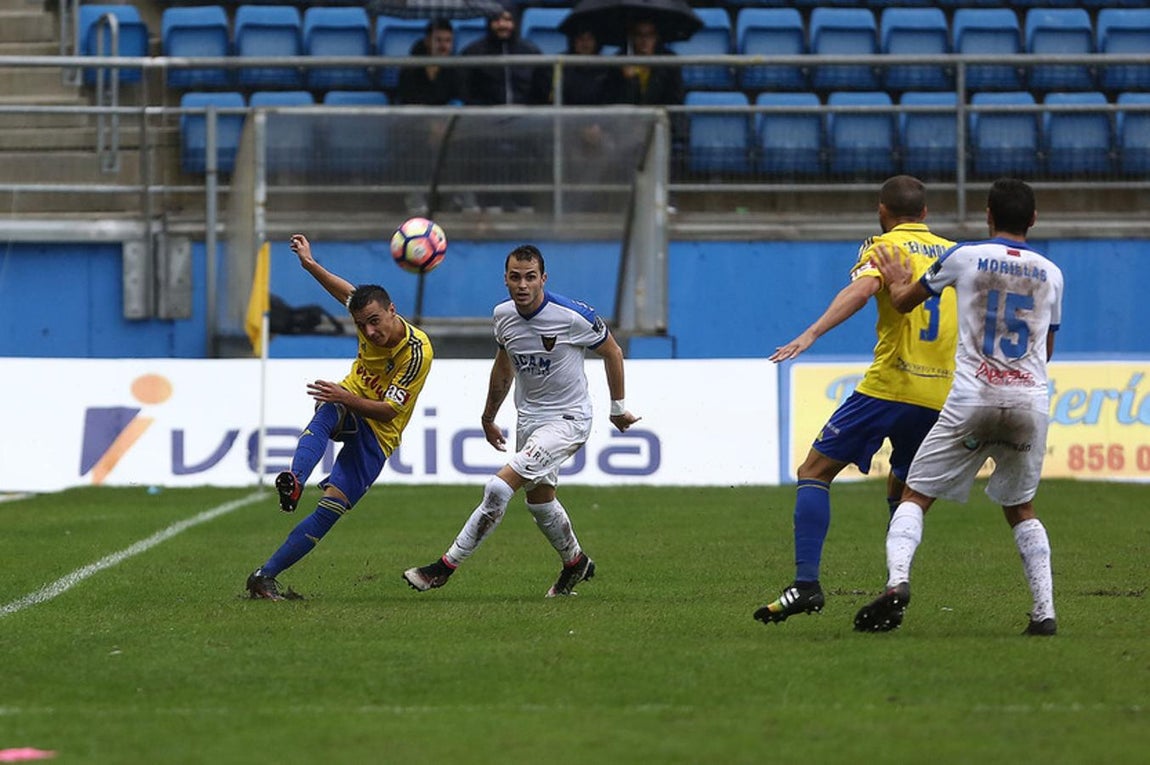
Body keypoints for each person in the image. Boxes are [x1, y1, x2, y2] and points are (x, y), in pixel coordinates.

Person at [855, 178, 1064, 636]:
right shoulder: (1051, 273)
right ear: (1032, 219)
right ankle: (1044, 612)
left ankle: (897, 582)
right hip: (1029, 399)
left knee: (915, 496)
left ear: (987, 214)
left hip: (971, 397)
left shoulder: (963, 257)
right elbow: (1046, 349)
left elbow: (905, 302)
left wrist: (897, 280)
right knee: (1022, 508)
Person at [753, 175, 957, 625]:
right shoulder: (956, 254)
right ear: (925, 213)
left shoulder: (882, 247)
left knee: (814, 471)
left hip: (890, 385)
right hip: (942, 393)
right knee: (904, 490)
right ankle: (894, 584)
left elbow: (862, 291)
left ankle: (806, 585)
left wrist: (810, 333)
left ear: (882, 211)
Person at [403, 244, 640, 597]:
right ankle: (575, 563)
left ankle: (443, 568)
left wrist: (618, 407)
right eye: (515, 277)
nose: (523, 285)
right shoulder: (502, 316)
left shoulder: (572, 316)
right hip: (529, 419)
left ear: (543, 278)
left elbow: (613, 351)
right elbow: (504, 365)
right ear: (506, 280)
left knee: (499, 488)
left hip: (569, 419)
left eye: (531, 277)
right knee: (540, 502)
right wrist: (488, 416)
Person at [246, 233, 434, 600]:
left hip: (379, 435)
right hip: (347, 405)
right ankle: (295, 479)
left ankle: (263, 577)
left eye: (375, 322)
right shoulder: (365, 313)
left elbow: (389, 410)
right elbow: (343, 292)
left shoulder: (417, 352)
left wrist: (345, 394)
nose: (369, 331)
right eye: (362, 323)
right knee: (330, 408)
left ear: (393, 310)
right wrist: (309, 263)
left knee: (331, 509)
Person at [458, 1, 550, 212]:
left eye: (508, 20)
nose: (503, 25)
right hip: (485, 122)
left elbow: (541, 92)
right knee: (487, 152)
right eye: (497, 20)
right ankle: (490, 201)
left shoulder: (531, 53)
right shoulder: (473, 53)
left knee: (531, 149)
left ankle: (523, 201)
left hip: (525, 121)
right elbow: (466, 93)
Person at [395, 18, 467, 214]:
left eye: (448, 41)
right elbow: (407, 99)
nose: (443, 46)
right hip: (416, 124)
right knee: (415, 145)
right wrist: (429, 123)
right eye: (438, 40)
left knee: (461, 144)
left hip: (448, 125)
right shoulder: (411, 67)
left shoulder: (456, 68)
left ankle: (456, 195)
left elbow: (460, 98)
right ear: (428, 41)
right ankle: (415, 195)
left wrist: (444, 121)